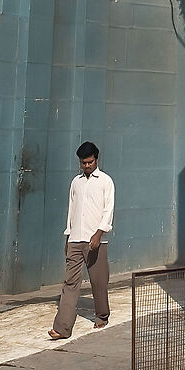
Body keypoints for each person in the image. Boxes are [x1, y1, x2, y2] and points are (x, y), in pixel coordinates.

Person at [49, 140, 113, 340]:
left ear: (96, 159)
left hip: (96, 240)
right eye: (83, 163)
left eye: (90, 162)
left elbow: (108, 210)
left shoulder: (105, 181)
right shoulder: (75, 182)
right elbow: (72, 209)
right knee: (70, 283)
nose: (87, 166)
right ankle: (62, 328)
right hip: (76, 239)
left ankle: (102, 315)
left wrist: (99, 233)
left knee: (98, 281)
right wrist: (68, 235)